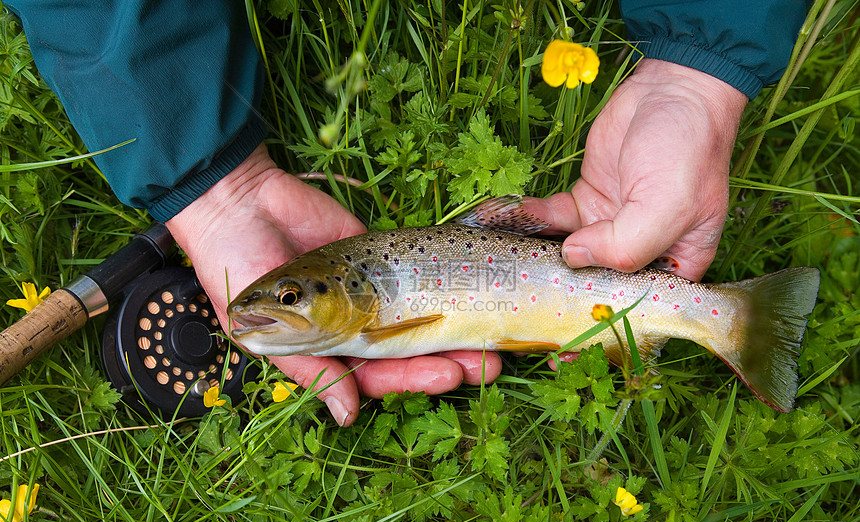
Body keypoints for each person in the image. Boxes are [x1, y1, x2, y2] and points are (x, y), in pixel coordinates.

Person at [6, 1, 808, 426]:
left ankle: (731, 318)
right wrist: (699, 74)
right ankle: (725, 318)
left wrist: (696, 83)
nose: (269, 305)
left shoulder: (370, 315)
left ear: (334, 291)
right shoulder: (355, 304)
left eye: (289, 296)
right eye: (285, 297)